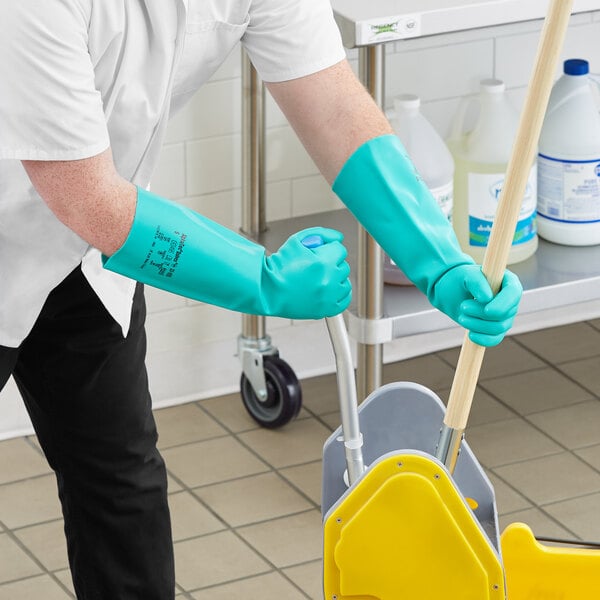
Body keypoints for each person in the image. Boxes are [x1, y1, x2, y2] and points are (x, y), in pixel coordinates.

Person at [0, 1, 522, 598]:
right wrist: (264, 280)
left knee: (119, 481)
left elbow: (328, 101)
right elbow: (86, 199)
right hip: (69, 211)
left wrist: (436, 257)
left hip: (81, 253)